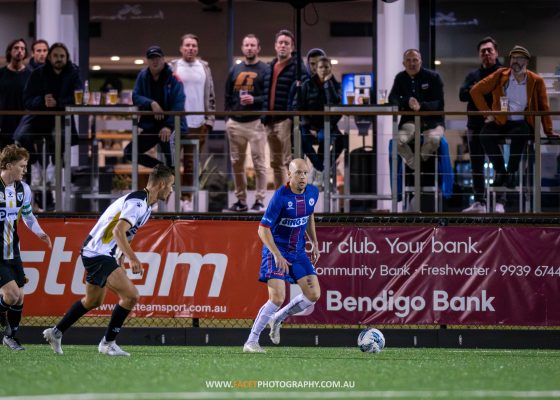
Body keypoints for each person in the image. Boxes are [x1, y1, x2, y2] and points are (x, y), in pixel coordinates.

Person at [43, 164, 175, 356]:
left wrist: (120, 258)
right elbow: (117, 231)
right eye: (171, 185)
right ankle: (108, 343)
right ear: (162, 184)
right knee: (131, 296)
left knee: (93, 301)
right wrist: (133, 258)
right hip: (98, 253)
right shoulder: (138, 203)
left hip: (98, 253)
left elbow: (127, 234)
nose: (172, 190)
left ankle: (55, 332)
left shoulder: (145, 205)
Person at [243, 158, 320, 353]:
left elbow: (309, 215)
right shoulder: (280, 197)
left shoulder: (313, 192)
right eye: (298, 173)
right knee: (277, 298)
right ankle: (251, 341)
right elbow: (262, 229)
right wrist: (277, 254)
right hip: (276, 250)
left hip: (298, 252)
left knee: (313, 294)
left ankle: (278, 318)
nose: (302, 177)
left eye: (305, 173)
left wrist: (314, 241)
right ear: (289, 175)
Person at [470, 45, 558, 212]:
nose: (515, 61)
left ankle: (511, 173)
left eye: (519, 58)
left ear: (526, 61)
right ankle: (501, 171)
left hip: (521, 121)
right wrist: (487, 112)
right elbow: (476, 91)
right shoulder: (500, 75)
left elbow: (544, 107)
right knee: (485, 135)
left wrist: (548, 130)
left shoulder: (535, 80)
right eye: (513, 58)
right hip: (501, 119)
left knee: (522, 133)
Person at [0, 144, 52, 350]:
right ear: (9, 165)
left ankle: (10, 336)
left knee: (20, 297)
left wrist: (40, 233)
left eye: (26, 165)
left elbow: (28, 215)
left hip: (12, 250)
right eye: (22, 166)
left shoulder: (23, 189)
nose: (25, 170)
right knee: (11, 295)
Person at [14, 42, 82, 190]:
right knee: (21, 136)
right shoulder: (38, 73)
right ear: (50, 57)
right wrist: (42, 101)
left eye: (62, 56)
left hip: (62, 118)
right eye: (56, 55)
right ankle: (36, 164)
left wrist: (58, 103)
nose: (59, 59)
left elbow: (78, 98)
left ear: (67, 58)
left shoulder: (73, 72)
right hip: (38, 118)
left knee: (61, 138)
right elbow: (27, 100)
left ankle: (54, 168)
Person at [223, 34, 270, 213]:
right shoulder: (235, 69)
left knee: (259, 163)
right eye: (246, 45)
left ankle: (259, 200)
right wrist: (228, 118)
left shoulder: (265, 69)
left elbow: (268, 97)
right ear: (242, 48)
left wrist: (255, 99)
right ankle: (241, 201)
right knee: (237, 164)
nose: (249, 48)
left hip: (256, 123)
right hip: (235, 123)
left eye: (252, 45)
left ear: (258, 48)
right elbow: (227, 94)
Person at [170, 34, 216, 210]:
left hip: (198, 124)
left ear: (197, 49)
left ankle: (186, 200)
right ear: (181, 48)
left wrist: (209, 120)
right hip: (176, 122)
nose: (190, 48)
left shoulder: (204, 68)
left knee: (191, 163)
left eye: (194, 46)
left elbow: (211, 95)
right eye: (187, 45)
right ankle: (167, 198)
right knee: (171, 162)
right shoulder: (173, 66)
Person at [460, 37, 502, 213]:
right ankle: (480, 202)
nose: (486, 53)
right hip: (475, 125)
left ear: (496, 52)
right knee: (476, 163)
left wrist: (477, 90)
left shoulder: (503, 73)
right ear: (479, 55)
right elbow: (462, 95)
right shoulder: (472, 75)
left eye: (489, 50)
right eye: (482, 51)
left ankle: (500, 201)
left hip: (497, 125)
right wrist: (480, 91)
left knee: (499, 163)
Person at [126, 45, 187, 168]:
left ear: (163, 59)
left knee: (171, 158)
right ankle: (161, 169)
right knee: (129, 152)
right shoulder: (143, 76)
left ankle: (172, 182)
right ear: (147, 61)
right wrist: (151, 103)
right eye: (151, 58)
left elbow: (178, 104)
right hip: (152, 127)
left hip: (172, 126)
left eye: (157, 58)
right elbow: (135, 96)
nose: (155, 61)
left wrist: (168, 126)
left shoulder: (174, 78)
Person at [262, 29, 306, 188]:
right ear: (275, 46)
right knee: (275, 162)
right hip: (269, 121)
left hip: (285, 121)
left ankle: (291, 196)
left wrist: (290, 115)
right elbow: (265, 93)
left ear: (292, 47)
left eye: (286, 43)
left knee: (289, 161)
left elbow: (301, 93)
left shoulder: (298, 67)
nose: (283, 46)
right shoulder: (270, 67)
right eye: (280, 43)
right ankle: (279, 196)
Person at [388, 49, 445, 170]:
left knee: (435, 140)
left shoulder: (433, 77)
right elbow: (392, 98)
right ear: (403, 63)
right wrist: (407, 102)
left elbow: (439, 103)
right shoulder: (400, 78)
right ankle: (415, 165)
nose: (411, 63)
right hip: (410, 122)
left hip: (432, 123)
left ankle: (417, 163)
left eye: (415, 60)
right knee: (397, 142)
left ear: (420, 62)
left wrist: (421, 106)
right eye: (408, 60)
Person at [293, 56, 343, 189]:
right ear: (316, 69)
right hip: (308, 124)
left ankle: (323, 169)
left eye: (327, 67)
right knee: (301, 139)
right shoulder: (307, 85)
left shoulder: (335, 85)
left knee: (340, 140)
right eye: (321, 67)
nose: (324, 70)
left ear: (331, 69)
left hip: (327, 125)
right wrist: (309, 126)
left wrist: (327, 84)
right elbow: (298, 107)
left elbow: (337, 108)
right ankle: (320, 168)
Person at [0, 39, 31, 148]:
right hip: (4, 122)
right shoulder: (1, 73)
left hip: (23, 122)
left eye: (22, 48)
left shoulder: (31, 75)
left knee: (23, 160)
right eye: (16, 48)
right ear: (9, 51)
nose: (19, 51)